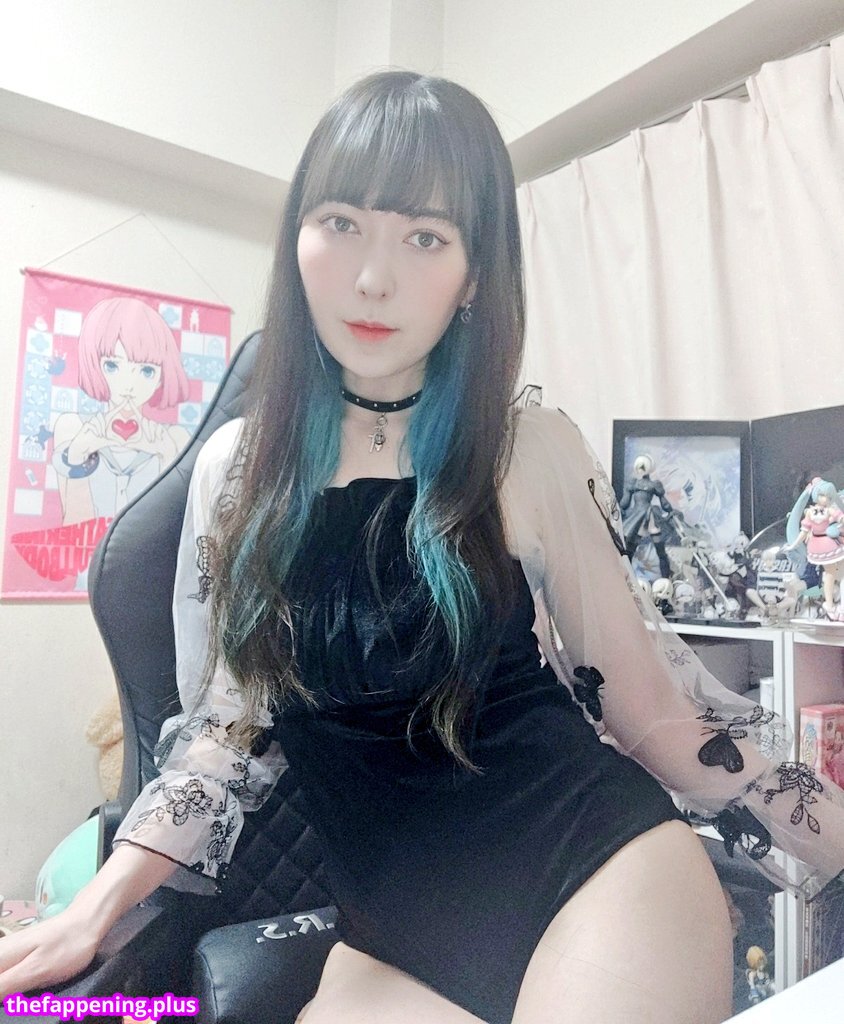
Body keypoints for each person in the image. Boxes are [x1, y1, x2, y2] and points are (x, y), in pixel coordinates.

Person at [3, 71, 844, 1024]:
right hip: (389, 939)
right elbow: (224, 737)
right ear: (297, 238)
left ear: (475, 272)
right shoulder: (237, 473)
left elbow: (657, 720)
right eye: (341, 222)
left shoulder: (527, 450)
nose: (374, 277)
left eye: (426, 237)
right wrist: (93, 910)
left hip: (595, 873)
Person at [51, 295, 190, 526]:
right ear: (94, 365)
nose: (129, 385)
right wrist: (78, 454)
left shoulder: (175, 439)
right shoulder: (73, 428)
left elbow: (175, 531)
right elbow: (74, 529)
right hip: (91, 550)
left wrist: (167, 459)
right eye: (112, 365)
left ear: (161, 376)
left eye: (146, 371)